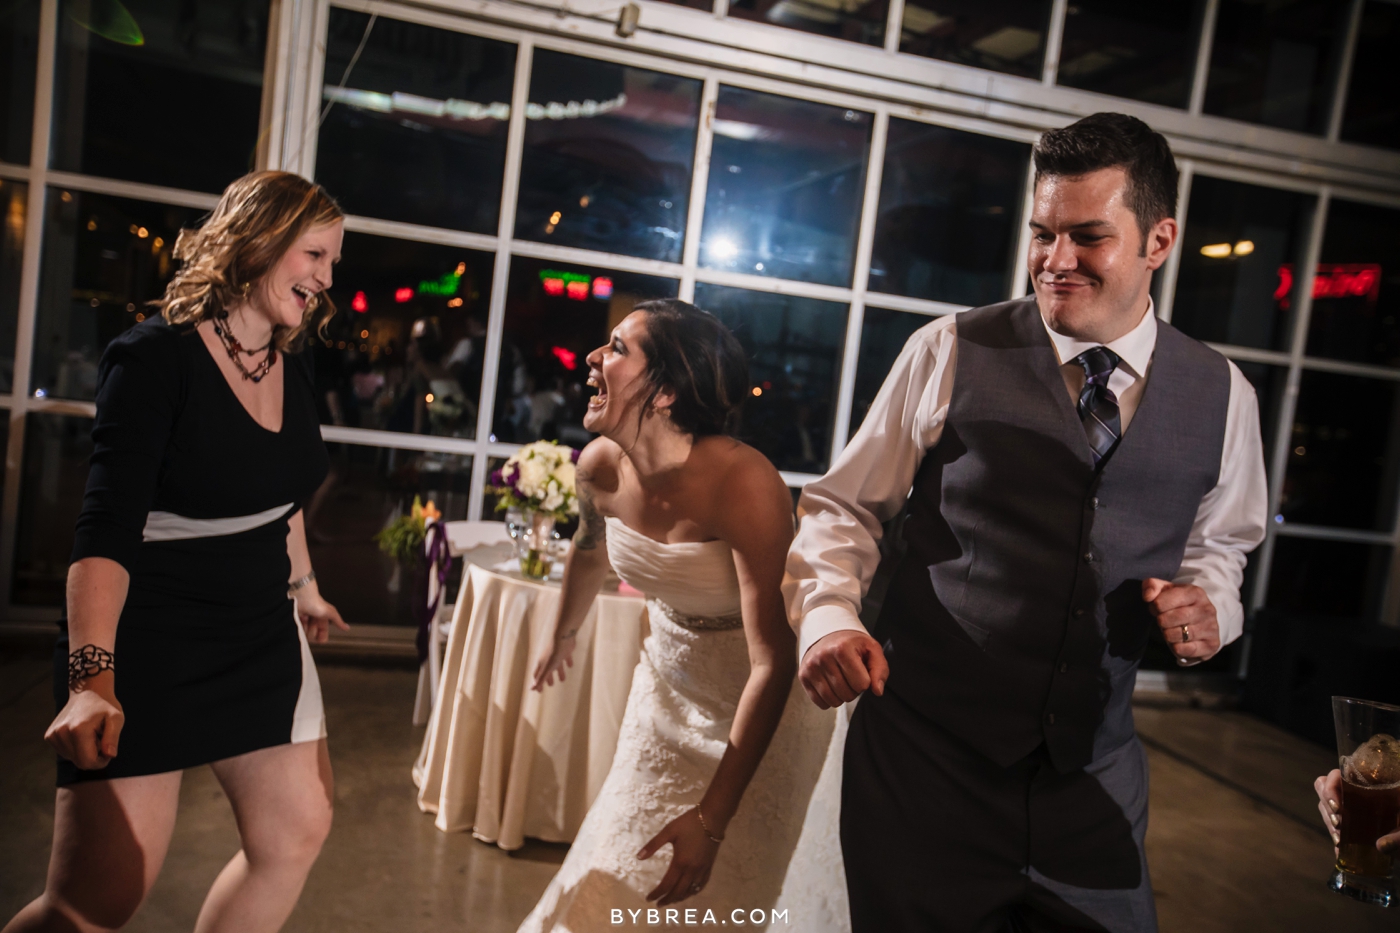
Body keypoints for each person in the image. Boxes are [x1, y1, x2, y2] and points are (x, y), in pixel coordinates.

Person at [785, 112, 1269, 932]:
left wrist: (1210, 610)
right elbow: (843, 508)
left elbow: (1221, 547)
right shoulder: (948, 348)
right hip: (923, 770)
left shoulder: (1227, 395)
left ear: (1159, 240)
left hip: (1095, 779)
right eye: (1042, 233)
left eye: (1088, 237)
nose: (1056, 261)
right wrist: (828, 618)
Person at [4, 171, 349, 933]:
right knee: (96, 898)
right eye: (316, 255)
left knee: (295, 830)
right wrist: (93, 679)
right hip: (152, 634)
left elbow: (279, 498)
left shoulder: (292, 363)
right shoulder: (153, 358)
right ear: (259, 241)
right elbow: (103, 531)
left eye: (333, 262)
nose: (327, 280)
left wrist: (305, 584)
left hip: (258, 631)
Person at [519, 299, 846, 931]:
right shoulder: (597, 467)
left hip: (763, 710)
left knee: (736, 889)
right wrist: (562, 634)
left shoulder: (743, 483)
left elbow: (772, 661)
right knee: (621, 863)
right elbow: (590, 556)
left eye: (616, 348)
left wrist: (711, 820)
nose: (593, 356)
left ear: (666, 390)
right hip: (666, 693)